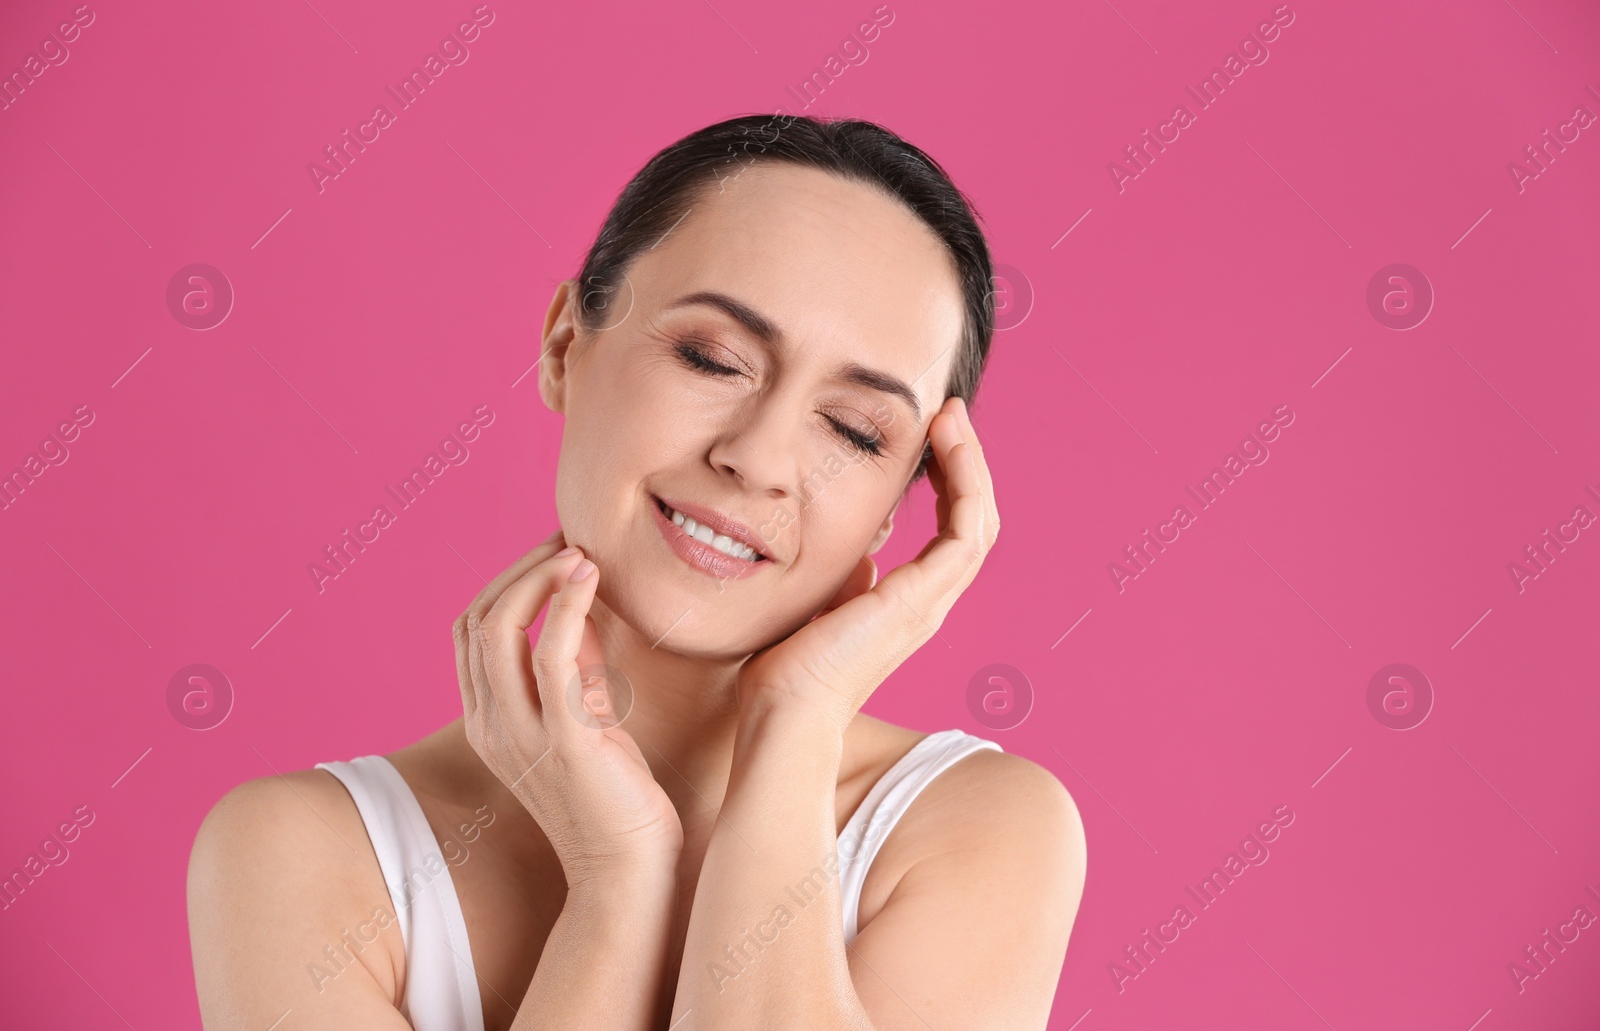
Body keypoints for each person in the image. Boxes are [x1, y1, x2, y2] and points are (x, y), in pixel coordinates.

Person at [187, 113, 1087, 1030]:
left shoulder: (980, 829)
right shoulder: (299, 853)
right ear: (564, 345)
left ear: (902, 502)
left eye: (856, 430)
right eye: (713, 358)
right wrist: (616, 879)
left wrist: (798, 721)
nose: (761, 456)